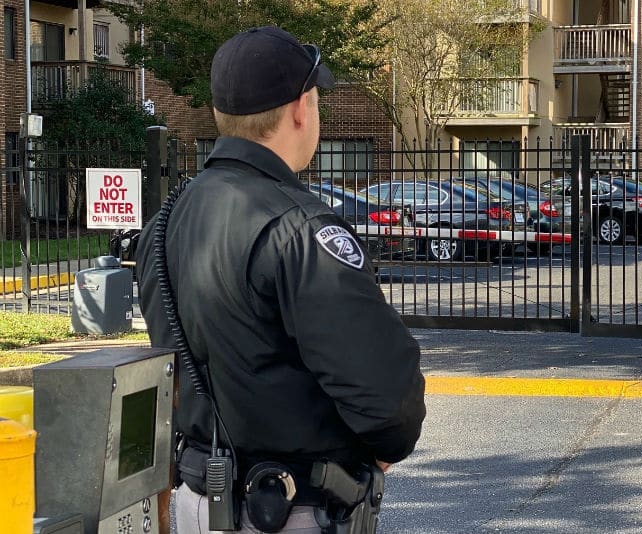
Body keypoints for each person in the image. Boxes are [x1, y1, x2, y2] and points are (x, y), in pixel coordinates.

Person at [135, 26, 426, 533]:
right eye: (316, 99)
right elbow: (385, 399)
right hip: (290, 508)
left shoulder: (166, 222)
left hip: (196, 500)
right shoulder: (302, 228)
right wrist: (385, 445)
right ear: (299, 108)